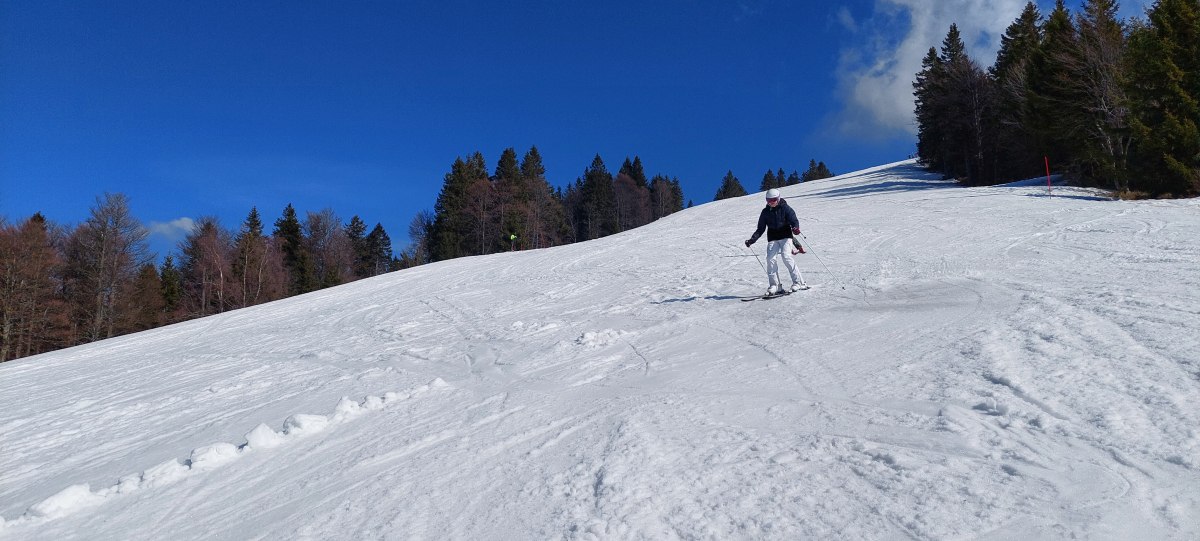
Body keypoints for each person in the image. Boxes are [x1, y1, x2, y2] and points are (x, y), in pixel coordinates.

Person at [744, 188, 808, 295]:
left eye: (773, 200)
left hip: (786, 236)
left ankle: (798, 282)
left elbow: (794, 220)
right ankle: (775, 286)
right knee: (770, 259)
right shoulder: (765, 212)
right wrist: (752, 240)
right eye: (769, 200)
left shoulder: (785, 208)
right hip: (773, 238)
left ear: (778, 199)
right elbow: (760, 228)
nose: (771, 202)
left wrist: (796, 228)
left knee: (786, 257)